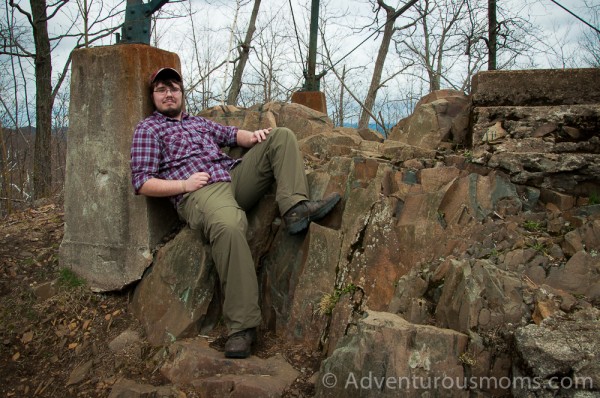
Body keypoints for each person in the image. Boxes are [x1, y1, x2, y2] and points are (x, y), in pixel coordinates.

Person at [130, 67, 340, 359]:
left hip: (234, 177)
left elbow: (231, 134)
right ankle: (242, 327)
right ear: (153, 96)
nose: (168, 94)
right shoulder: (149, 129)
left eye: (173, 88)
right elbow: (141, 182)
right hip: (200, 191)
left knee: (281, 136)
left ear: (182, 92)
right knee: (229, 226)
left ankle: (294, 207)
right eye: (161, 89)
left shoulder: (198, 123)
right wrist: (183, 184)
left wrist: (255, 136)